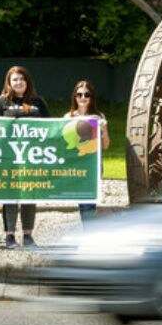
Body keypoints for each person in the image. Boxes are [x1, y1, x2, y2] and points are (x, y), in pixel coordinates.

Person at [0, 66, 50, 249]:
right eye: (14, 79)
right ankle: (9, 236)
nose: (18, 82)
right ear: (9, 82)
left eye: (21, 79)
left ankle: (28, 236)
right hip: (9, 158)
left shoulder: (38, 102)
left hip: (32, 157)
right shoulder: (2, 102)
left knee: (29, 195)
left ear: (27, 81)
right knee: (10, 195)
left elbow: (52, 126)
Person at [64, 80, 110, 222]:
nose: (83, 97)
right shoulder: (68, 117)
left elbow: (106, 145)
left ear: (91, 97)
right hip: (77, 164)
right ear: (74, 97)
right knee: (83, 201)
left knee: (89, 201)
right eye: (79, 94)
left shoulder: (98, 117)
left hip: (93, 164)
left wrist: (103, 129)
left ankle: (88, 233)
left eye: (87, 94)